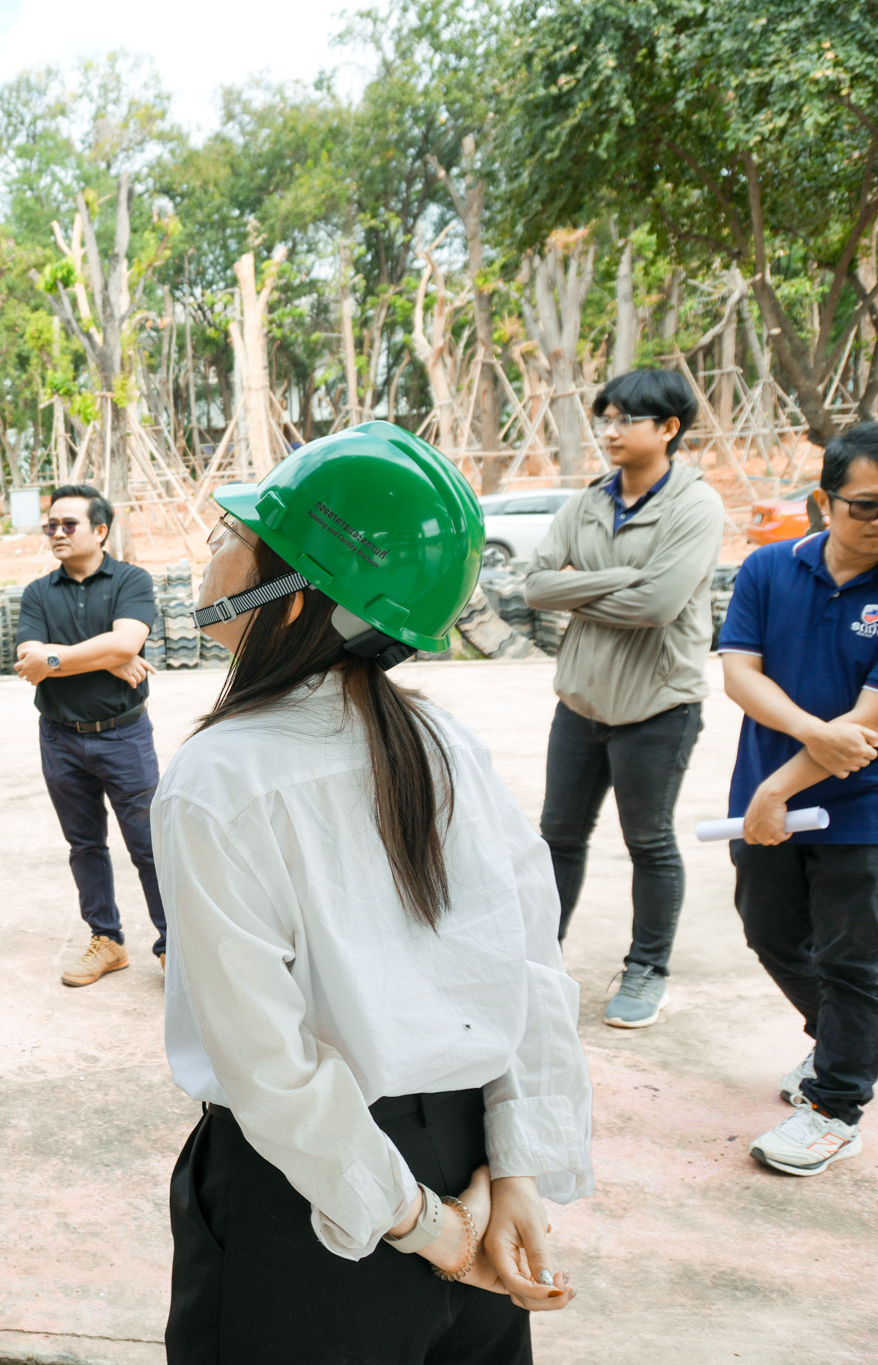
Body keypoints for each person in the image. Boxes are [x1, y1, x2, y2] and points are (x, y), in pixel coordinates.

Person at [156, 422, 593, 1363]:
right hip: (467, 1161)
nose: (212, 549)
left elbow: (266, 1062)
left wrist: (427, 1226)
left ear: (292, 594)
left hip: (317, 1199)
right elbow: (531, 969)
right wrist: (514, 1170)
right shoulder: (445, 743)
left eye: (234, 534)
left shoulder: (220, 776)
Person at [525, 368, 724, 1027]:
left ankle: (646, 970)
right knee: (558, 837)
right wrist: (622, 577)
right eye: (604, 419)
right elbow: (536, 587)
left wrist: (582, 588)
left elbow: (659, 605)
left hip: (658, 706)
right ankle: (538, 960)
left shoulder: (696, 506)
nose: (609, 432)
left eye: (625, 420)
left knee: (648, 841)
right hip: (581, 702)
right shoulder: (586, 503)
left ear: (668, 428)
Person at [719, 420, 878, 1177]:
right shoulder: (766, 568)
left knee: (853, 960)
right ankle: (848, 1040)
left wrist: (780, 785)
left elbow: (865, 729)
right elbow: (739, 673)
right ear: (824, 500)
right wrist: (809, 737)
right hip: (766, 799)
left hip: (862, 809)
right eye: (866, 506)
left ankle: (836, 1107)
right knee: (771, 932)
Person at [12, 483, 164, 985]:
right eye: (50, 525)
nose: (57, 532)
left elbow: (125, 642)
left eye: (68, 524)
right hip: (60, 738)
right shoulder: (38, 593)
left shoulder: (131, 581)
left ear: (100, 531)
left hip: (124, 736)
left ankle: (174, 944)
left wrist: (63, 656)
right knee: (85, 845)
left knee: (149, 844)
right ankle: (107, 940)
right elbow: (30, 662)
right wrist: (109, 658)